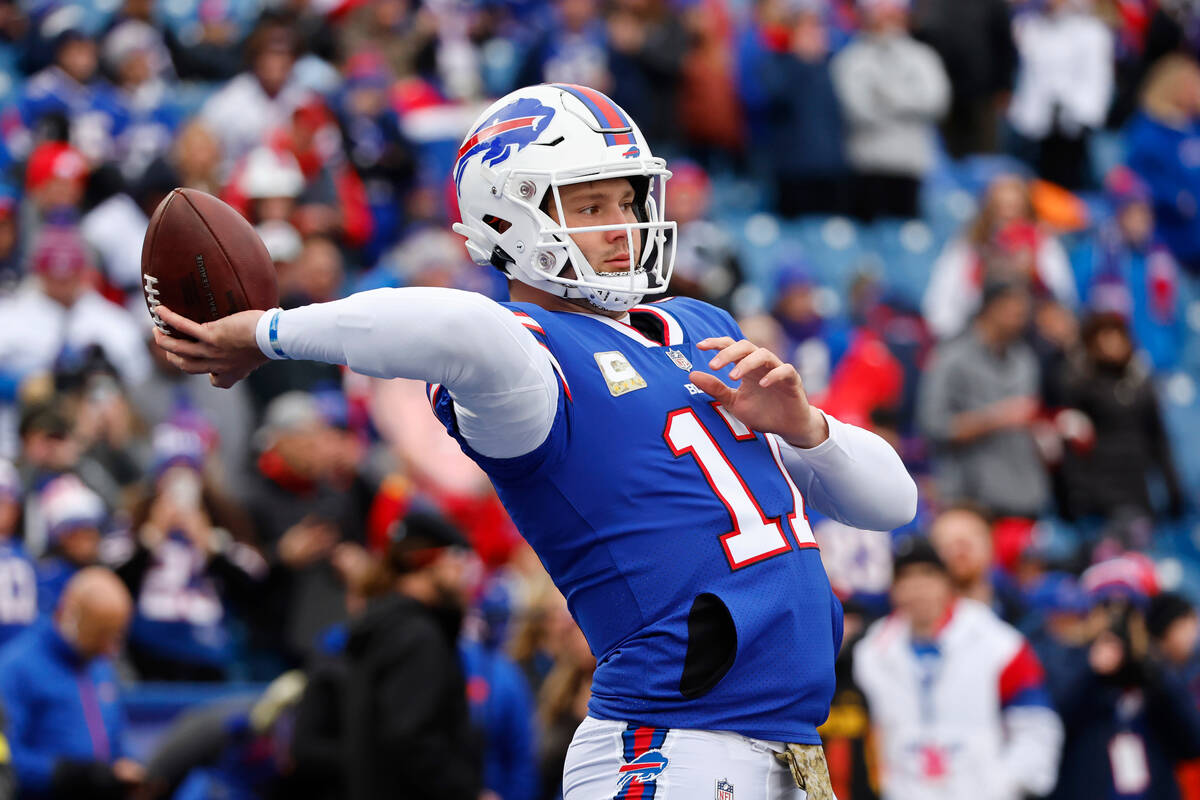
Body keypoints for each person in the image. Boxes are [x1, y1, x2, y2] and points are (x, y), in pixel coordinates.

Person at [152, 83, 918, 799]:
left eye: (625, 198)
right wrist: (269, 331)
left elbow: (890, 501)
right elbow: (462, 327)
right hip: (675, 747)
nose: (621, 223)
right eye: (589, 204)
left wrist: (806, 428)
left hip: (786, 750)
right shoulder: (527, 361)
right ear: (504, 218)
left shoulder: (699, 328)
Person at [853, 537, 1063, 800]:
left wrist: (1006, 784)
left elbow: (1037, 724)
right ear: (894, 589)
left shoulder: (997, 642)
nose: (917, 587)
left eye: (927, 574)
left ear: (946, 583)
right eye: (905, 577)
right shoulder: (871, 652)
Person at [0, 567, 143, 800]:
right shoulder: (16, 668)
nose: (110, 649)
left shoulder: (100, 667)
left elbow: (115, 740)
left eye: (117, 636)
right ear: (71, 616)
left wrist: (129, 766)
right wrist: (69, 775)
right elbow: (6, 761)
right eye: (101, 635)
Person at [918, 280, 1049, 520]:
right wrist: (995, 418)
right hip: (970, 496)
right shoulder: (951, 357)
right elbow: (932, 425)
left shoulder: (1024, 359)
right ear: (991, 308)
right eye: (1014, 310)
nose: (1021, 318)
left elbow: (1029, 419)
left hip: (1024, 493)